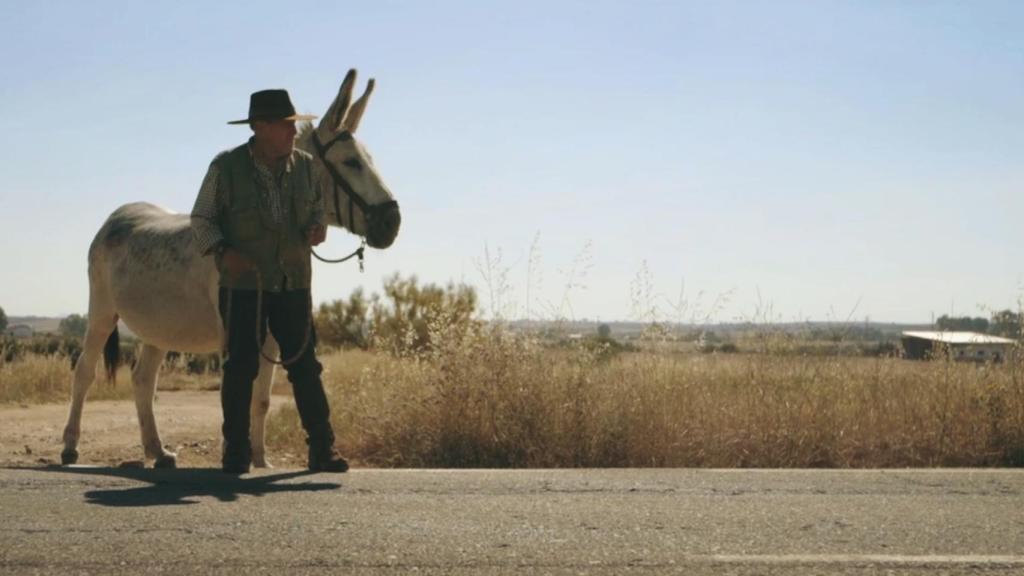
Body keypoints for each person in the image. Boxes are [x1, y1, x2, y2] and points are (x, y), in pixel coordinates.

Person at [191, 89, 348, 474]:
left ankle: (323, 448)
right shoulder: (225, 168)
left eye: (294, 125)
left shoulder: (307, 167)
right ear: (260, 127)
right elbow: (202, 219)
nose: (294, 133)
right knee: (241, 367)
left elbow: (318, 211)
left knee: (305, 366)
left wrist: (318, 229)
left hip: (294, 283)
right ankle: (236, 451)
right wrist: (224, 251)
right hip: (243, 286)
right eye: (285, 126)